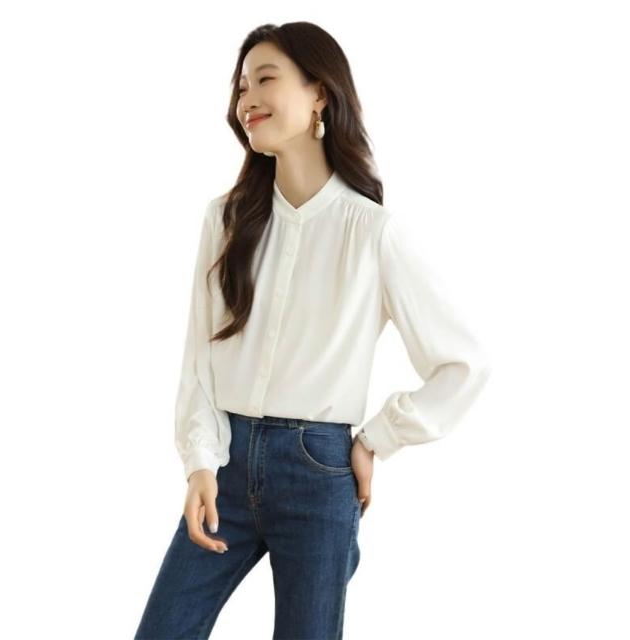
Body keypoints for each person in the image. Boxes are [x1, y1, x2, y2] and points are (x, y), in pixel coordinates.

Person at [134, 21, 491, 640]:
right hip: (225, 463)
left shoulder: (371, 231)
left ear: (320, 93)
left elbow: (463, 363)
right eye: (241, 87)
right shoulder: (226, 220)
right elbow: (199, 359)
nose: (246, 99)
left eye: (265, 79)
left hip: (318, 470)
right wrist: (199, 464)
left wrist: (376, 439)